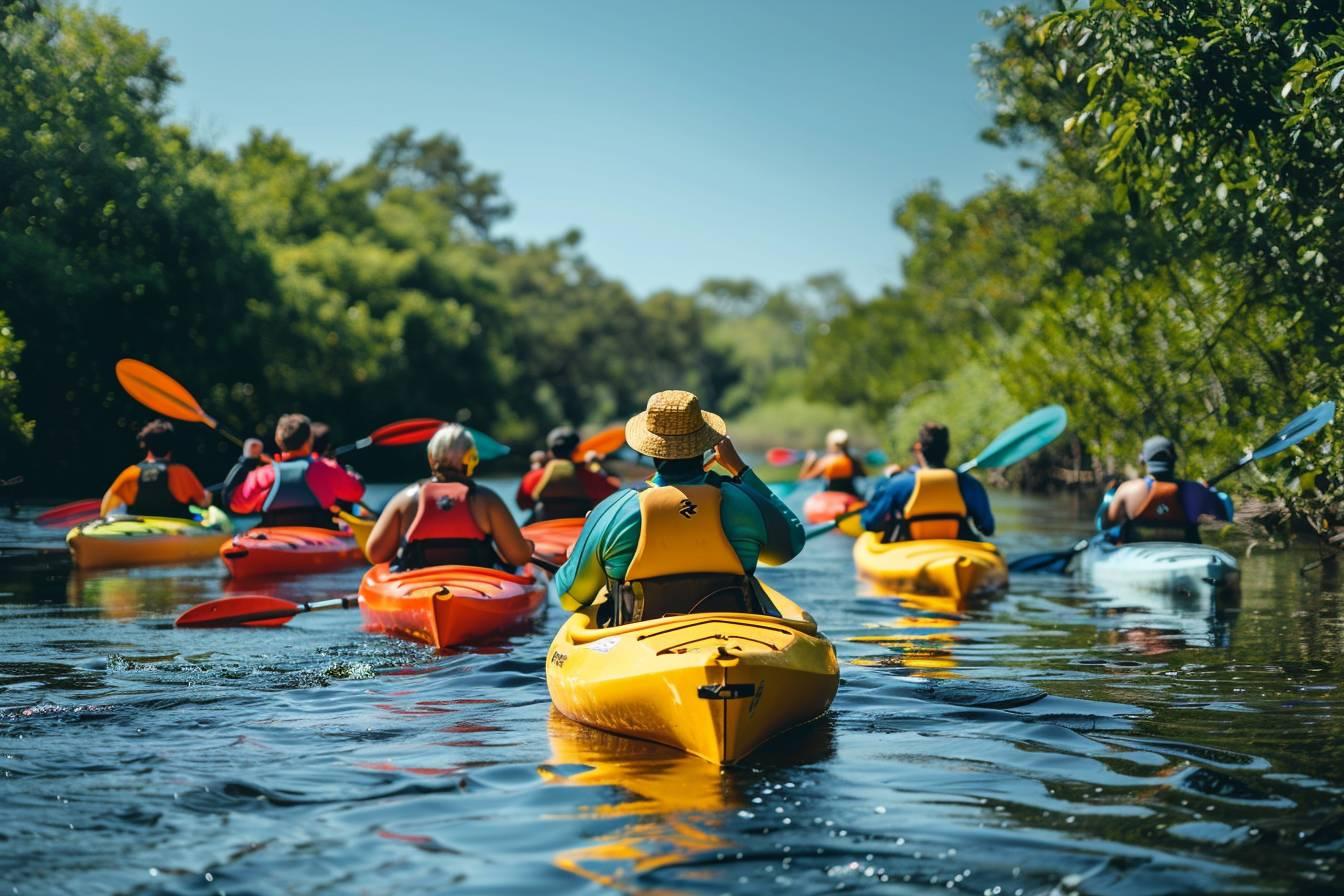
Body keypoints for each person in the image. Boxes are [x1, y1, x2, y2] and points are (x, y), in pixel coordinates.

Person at [555, 390, 806, 625]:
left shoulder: (613, 511)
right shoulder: (744, 500)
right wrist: (740, 470)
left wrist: (580, 548)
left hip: (639, 640)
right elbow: (789, 546)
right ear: (706, 446)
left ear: (649, 450)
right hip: (737, 633)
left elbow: (570, 597)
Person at [364, 424, 534, 570]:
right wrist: (529, 546)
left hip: (419, 586)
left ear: (431, 458)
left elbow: (375, 554)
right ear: (472, 459)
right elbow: (519, 557)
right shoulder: (486, 500)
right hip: (476, 586)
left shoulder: (405, 499)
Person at [860, 422, 994, 542]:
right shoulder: (969, 484)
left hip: (909, 552)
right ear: (946, 449)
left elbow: (869, 522)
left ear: (920, 450)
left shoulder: (898, 484)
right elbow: (987, 528)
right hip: (958, 552)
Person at [228, 413, 365, 528]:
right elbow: (356, 492)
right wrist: (349, 472)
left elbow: (236, 505)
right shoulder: (326, 468)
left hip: (276, 539)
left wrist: (247, 461)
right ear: (309, 440)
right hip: (317, 535)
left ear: (278, 440)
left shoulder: (263, 474)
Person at [1099, 436, 1232, 543]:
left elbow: (1104, 524)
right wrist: (1209, 494)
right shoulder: (1196, 491)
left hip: (1137, 557)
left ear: (1142, 461)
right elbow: (1224, 519)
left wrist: (1110, 498)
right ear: (1174, 459)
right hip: (1186, 558)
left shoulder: (1127, 489)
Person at [100, 419, 212, 519]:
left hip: (141, 532)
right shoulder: (182, 472)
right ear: (171, 446)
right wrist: (207, 495)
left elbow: (106, 508)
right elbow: (203, 502)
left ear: (147, 445)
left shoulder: (131, 473)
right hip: (176, 533)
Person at [516, 426, 619, 522]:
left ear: (550, 451)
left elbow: (522, 505)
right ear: (577, 450)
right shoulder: (590, 476)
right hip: (580, 532)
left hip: (545, 532)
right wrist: (598, 467)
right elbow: (613, 494)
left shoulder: (533, 477)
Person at [798, 428, 866, 496]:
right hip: (851, 495)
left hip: (831, 496)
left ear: (831, 444)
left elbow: (803, 480)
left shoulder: (826, 461)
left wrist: (808, 463)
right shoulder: (854, 460)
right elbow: (864, 477)